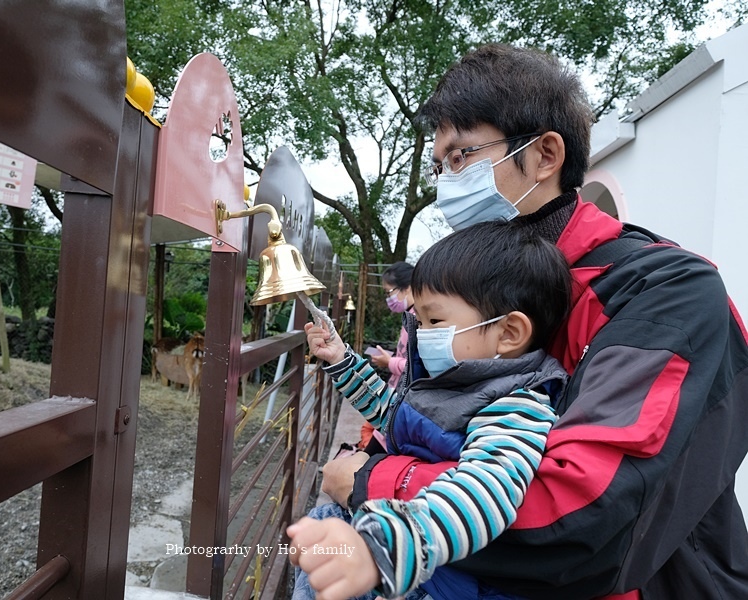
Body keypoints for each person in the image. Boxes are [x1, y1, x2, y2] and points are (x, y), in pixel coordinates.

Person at [309, 43, 748, 599]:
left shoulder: (664, 293)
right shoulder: (469, 293)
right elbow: (425, 414)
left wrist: (372, 482)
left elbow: (576, 520)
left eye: (462, 156)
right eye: (439, 165)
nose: (447, 182)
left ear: (545, 155)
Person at [290, 220, 572, 600]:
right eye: (419, 322)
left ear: (509, 333)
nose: (421, 335)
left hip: (435, 580)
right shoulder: (460, 382)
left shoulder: (517, 404)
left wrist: (385, 546)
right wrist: (342, 360)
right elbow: (394, 415)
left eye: (434, 321)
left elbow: (484, 490)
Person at [361, 261, 414, 452]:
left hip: (402, 401)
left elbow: (418, 365)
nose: (388, 298)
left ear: (407, 288)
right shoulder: (410, 315)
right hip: (395, 398)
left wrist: (390, 362)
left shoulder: (418, 319)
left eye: (389, 292)